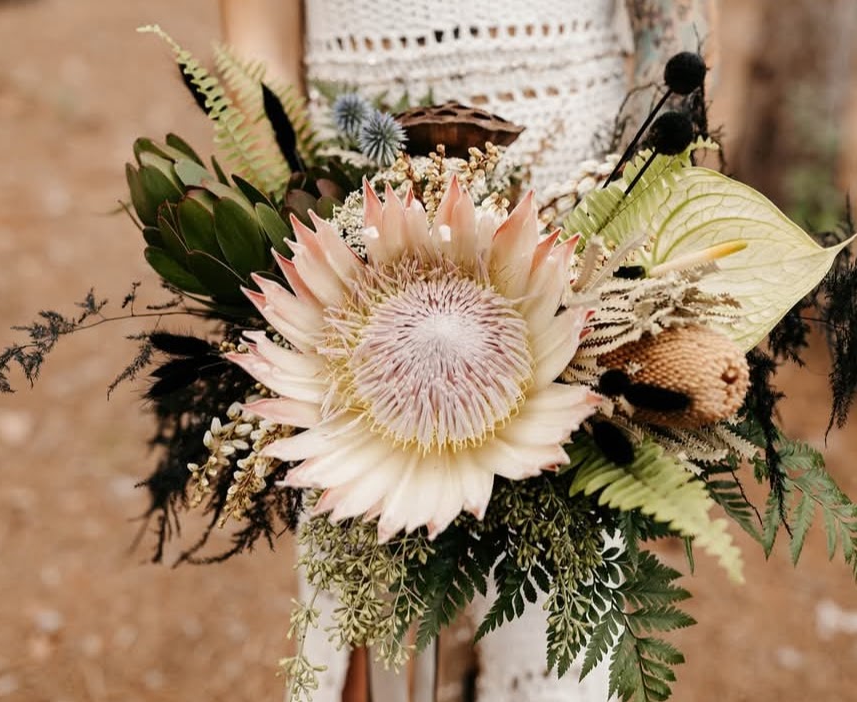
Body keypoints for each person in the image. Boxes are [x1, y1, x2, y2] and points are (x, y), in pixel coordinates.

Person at [219, 2, 715, 700]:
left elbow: (673, 24)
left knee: (552, 641)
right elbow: (257, 40)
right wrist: (291, 224)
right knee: (374, 634)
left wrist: (649, 258)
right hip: (361, 271)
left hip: (581, 258)